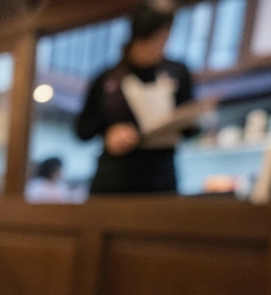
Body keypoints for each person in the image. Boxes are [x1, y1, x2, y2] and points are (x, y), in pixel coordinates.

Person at [75, 0, 196, 195]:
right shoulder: (107, 78)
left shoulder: (178, 72)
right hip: (114, 181)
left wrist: (193, 119)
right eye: (157, 37)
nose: (161, 43)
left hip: (161, 180)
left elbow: (191, 129)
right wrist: (109, 133)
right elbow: (82, 129)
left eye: (166, 36)